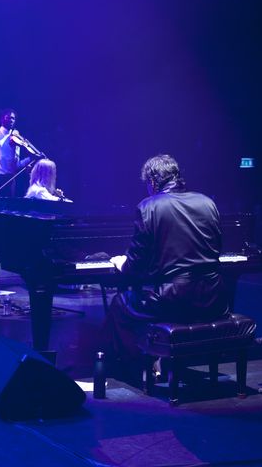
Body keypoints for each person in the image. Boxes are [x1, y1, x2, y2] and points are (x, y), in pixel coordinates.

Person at [104, 154, 228, 367]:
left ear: (152, 181)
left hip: (174, 301)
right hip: (213, 299)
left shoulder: (149, 207)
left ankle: (136, 366)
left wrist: (121, 263)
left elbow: (135, 265)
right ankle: (167, 356)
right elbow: (216, 249)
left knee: (119, 303)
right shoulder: (207, 202)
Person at [0, 108, 35, 197]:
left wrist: (31, 158)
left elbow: (16, 166)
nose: (11, 120)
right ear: (2, 119)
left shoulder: (17, 139)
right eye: (8, 118)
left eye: (13, 118)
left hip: (10, 180)